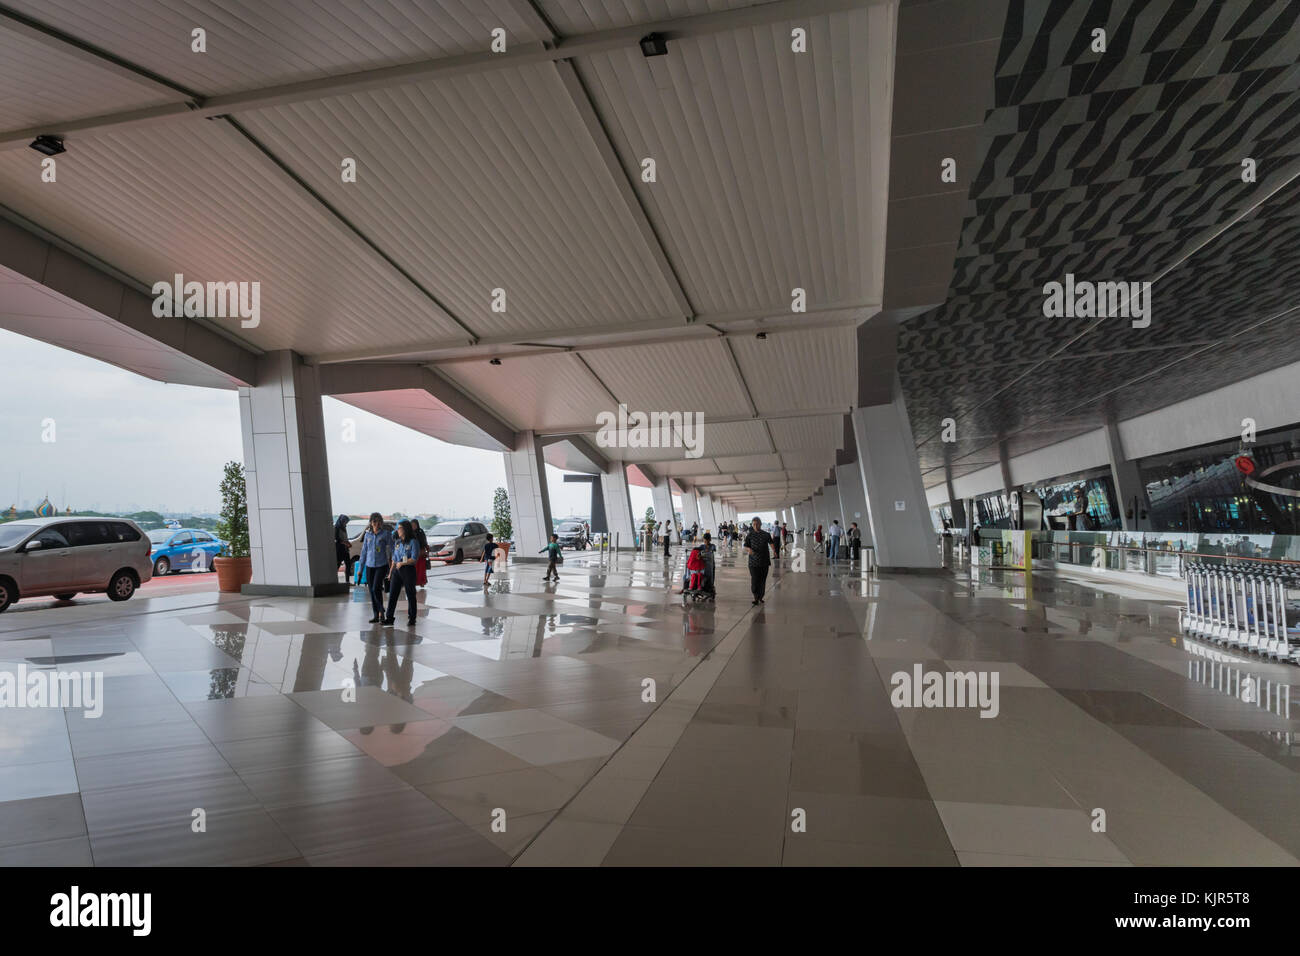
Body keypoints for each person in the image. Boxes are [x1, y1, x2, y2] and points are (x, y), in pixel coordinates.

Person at [384, 520, 420, 626]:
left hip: (408, 570)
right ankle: (389, 617)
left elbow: (414, 558)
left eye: (399, 528)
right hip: (397, 571)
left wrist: (403, 563)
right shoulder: (398, 542)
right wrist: (390, 572)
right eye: (397, 528)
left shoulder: (413, 542)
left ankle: (412, 618)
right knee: (393, 594)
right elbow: (394, 559)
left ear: (405, 529)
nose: (397, 530)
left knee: (410, 594)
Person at [360, 512, 394, 624]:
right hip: (369, 566)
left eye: (379, 521)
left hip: (381, 565)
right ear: (370, 523)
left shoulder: (386, 534)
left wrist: (393, 564)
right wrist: (360, 568)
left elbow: (392, 549)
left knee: (376, 588)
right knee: (372, 591)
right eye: (374, 521)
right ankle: (376, 615)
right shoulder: (367, 535)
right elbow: (364, 552)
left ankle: (381, 611)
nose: (377, 524)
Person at [743, 517, 773, 605]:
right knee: (755, 580)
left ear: (760, 524)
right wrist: (749, 550)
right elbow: (746, 546)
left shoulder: (766, 534)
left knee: (762, 580)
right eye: (754, 524)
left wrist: (774, 551)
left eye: (757, 524)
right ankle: (755, 597)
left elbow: (771, 543)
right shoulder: (750, 535)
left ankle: (760, 597)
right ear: (752, 525)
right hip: (753, 562)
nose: (755, 526)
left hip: (764, 562)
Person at [334, 514, 353, 583]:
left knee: (348, 564)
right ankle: (334, 580)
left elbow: (345, 538)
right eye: (345, 521)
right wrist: (345, 543)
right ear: (341, 520)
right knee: (338, 565)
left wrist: (348, 543)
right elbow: (336, 539)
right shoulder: (336, 527)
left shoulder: (344, 528)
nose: (346, 523)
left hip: (345, 550)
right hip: (339, 550)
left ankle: (347, 581)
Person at [410, 518, 429, 588]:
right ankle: (414, 582)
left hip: (421, 553)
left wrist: (427, 549)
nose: (413, 526)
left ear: (417, 525)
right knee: (413, 570)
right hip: (413, 553)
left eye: (414, 525)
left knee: (421, 570)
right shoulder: (410, 533)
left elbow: (425, 542)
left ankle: (422, 582)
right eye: (412, 525)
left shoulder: (421, 531)